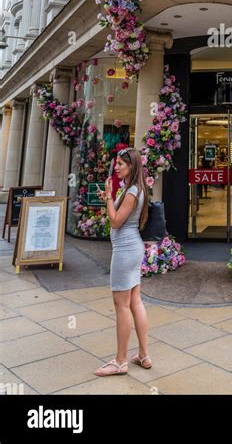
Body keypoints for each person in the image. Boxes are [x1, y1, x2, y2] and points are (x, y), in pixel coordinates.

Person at [94, 147, 151, 376]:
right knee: (135, 301)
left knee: (122, 306)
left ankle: (120, 361)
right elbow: (118, 214)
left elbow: (116, 222)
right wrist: (109, 199)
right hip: (131, 249)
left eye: (120, 164)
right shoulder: (132, 189)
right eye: (116, 163)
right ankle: (143, 355)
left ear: (132, 166)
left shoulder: (131, 191)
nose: (116, 167)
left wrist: (109, 198)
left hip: (125, 250)